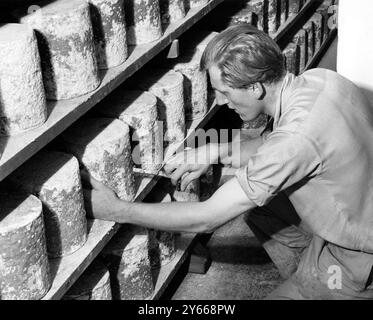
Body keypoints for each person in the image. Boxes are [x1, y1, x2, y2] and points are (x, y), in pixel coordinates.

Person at [82, 24, 373, 300]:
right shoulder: (318, 79)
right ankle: (306, 276)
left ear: (255, 88)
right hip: (358, 207)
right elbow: (276, 144)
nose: (220, 102)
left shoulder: (295, 141)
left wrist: (117, 210)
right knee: (259, 207)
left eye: (225, 92)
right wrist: (216, 151)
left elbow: (208, 216)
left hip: (358, 258)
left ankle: (320, 287)